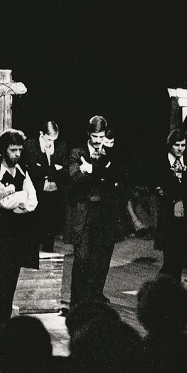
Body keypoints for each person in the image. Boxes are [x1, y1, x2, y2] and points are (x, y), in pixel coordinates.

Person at [0, 129, 39, 345]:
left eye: (20, 149)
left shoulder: (23, 169)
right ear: (3, 150)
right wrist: (16, 199)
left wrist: (19, 200)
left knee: (8, 283)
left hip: (18, 233)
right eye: (13, 150)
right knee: (6, 282)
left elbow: (32, 200)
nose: (17, 154)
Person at [67, 116, 123, 307]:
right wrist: (101, 174)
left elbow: (117, 176)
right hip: (83, 213)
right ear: (88, 134)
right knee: (81, 259)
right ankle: (76, 303)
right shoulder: (77, 153)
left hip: (103, 213)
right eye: (95, 136)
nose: (98, 141)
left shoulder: (109, 154)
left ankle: (92, 301)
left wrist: (91, 169)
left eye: (101, 136)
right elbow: (76, 178)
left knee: (98, 259)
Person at [154, 129, 187, 281]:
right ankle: (162, 289)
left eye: (183, 145)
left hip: (185, 218)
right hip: (169, 218)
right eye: (177, 145)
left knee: (180, 260)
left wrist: (177, 188)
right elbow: (163, 189)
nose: (180, 148)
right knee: (169, 259)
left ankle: (169, 289)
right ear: (170, 145)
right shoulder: (161, 164)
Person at [21, 121, 68, 252]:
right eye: (48, 139)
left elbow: (65, 171)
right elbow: (33, 172)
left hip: (54, 195)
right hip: (37, 193)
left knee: (50, 231)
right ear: (41, 134)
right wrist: (54, 168)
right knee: (35, 230)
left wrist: (46, 171)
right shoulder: (30, 146)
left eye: (54, 140)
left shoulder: (61, 145)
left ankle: (48, 252)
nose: (51, 143)